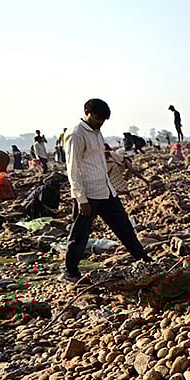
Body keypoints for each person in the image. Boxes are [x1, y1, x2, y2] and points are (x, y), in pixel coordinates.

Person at [62, 98, 151, 284]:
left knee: (124, 228)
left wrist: (120, 161)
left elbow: (101, 156)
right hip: (88, 194)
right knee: (80, 235)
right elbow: (72, 168)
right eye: (97, 118)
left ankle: (144, 260)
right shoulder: (76, 134)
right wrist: (80, 198)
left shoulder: (96, 132)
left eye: (103, 120)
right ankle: (70, 272)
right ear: (87, 113)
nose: (100, 122)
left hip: (106, 190)